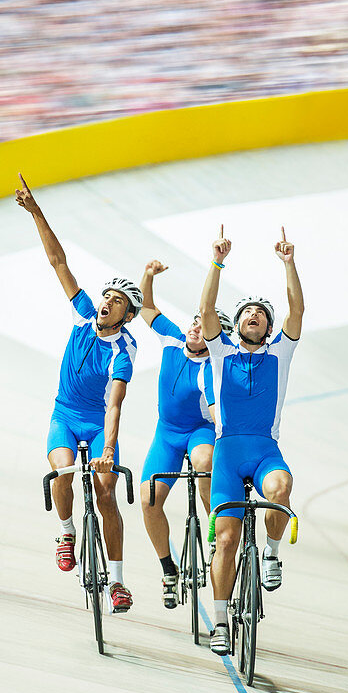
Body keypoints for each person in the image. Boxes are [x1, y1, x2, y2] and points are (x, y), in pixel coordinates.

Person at [14, 173, 140, 613]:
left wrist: (109, 450)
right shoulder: (84, 316)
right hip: (65, 416)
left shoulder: (123, 349)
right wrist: (36, 212)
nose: (106, 300)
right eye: (106, 294)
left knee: (106, 494)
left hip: (98, 422)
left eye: (117, 300)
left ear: (126, 315)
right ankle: (66, 530)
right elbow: (58, 262)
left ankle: (119, 582)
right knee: (64, 474)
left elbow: (115, 403)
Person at [199, 225, 304, 655]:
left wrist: (288, 262)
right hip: (227, 453)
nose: (254, 316)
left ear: (269, 324)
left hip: (264, 450)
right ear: (237, 324)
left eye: (262, 312)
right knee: (226, 540)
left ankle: (274, 553)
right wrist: (217, 261)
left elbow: (298, 308)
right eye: (247, 313)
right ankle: (221, 621)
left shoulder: (281, 351)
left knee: (281, 489)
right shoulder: (221, 351)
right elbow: (206, 308)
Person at [138, 259, 231, 608]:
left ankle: (214, 533)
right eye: (195, 321)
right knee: (148, 499)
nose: (195, 327)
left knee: (205, 460)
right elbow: (147, 307)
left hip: (199, 433)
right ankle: (168, 569)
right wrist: (147, 276)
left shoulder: (217, 365)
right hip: (168, 434)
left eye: (205, 325)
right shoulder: (172, 339)